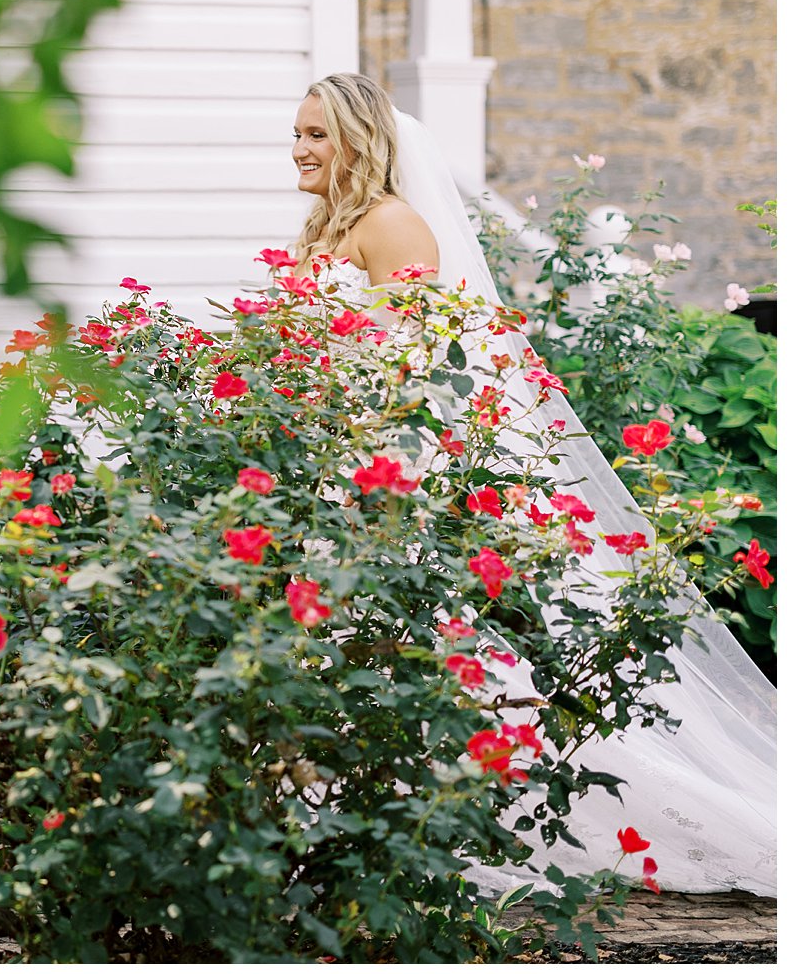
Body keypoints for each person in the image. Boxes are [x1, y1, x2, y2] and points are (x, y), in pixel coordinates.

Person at [288, 71, 777, 897]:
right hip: (326, 457)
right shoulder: (324, 228)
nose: (299, 150)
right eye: (296, 135)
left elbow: (421, 364)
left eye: (317, 135)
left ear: (362, 140)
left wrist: (366, 457)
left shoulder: (396, 226)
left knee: (411, 638)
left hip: (378, 466)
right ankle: (350, 809)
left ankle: (447, 803)